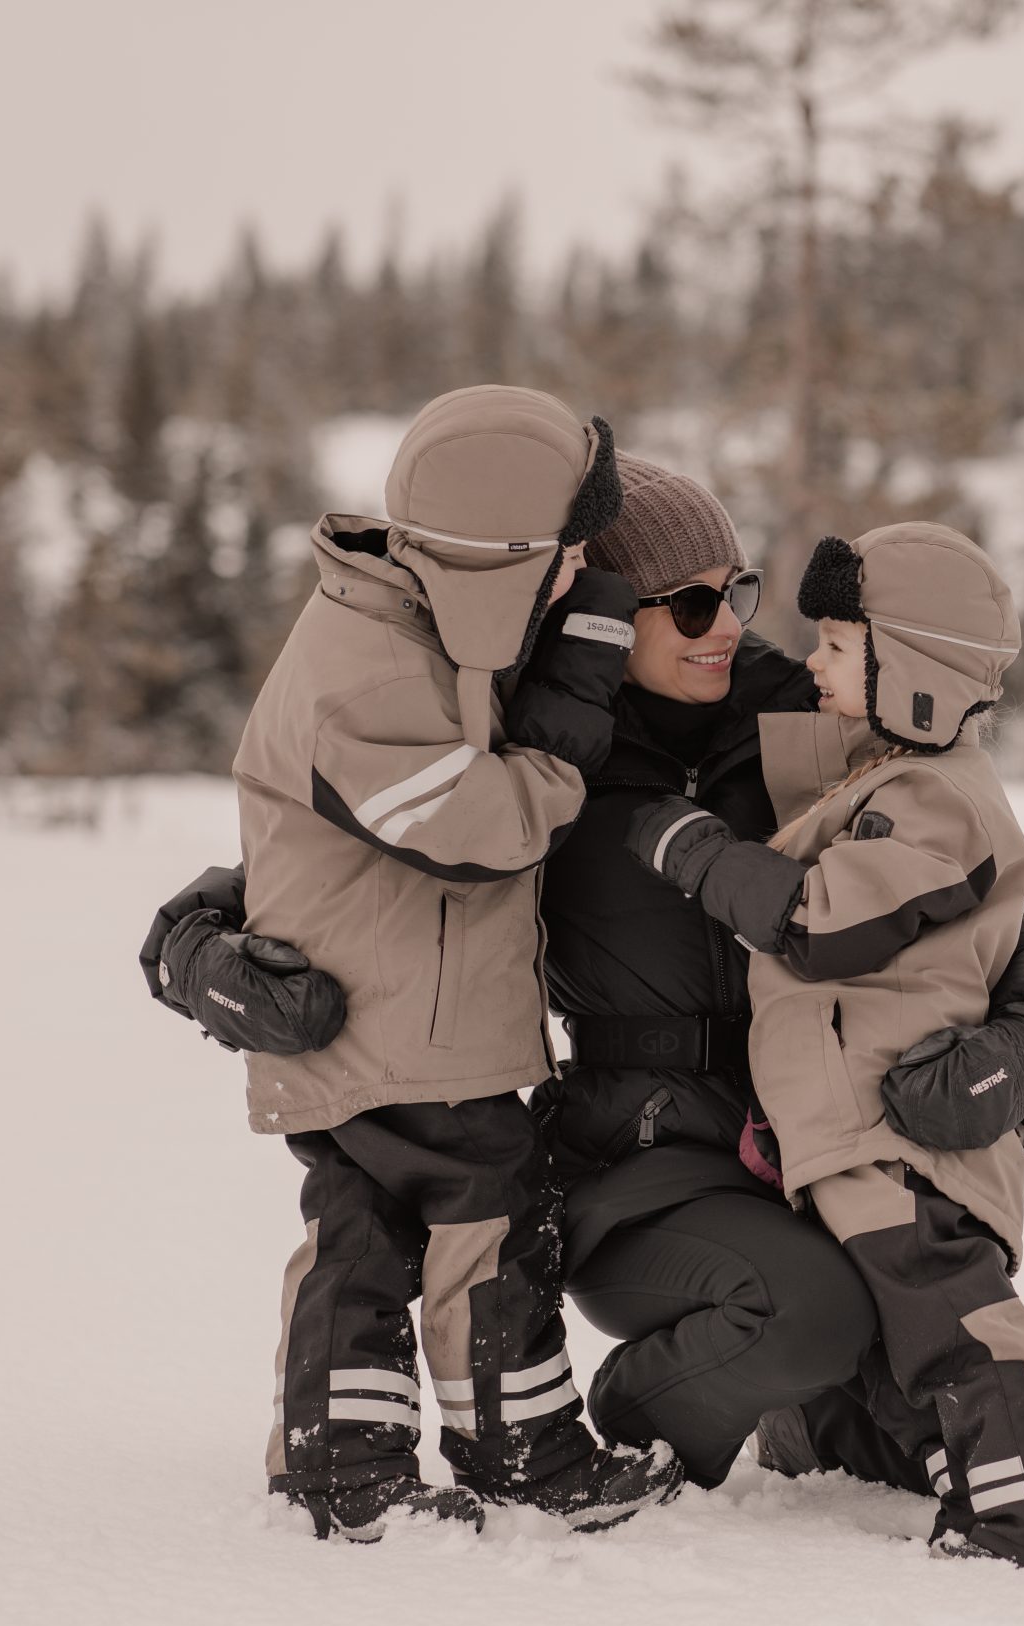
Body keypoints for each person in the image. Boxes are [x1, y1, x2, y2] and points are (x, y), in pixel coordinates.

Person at [143, 459, 1024, 1522]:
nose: (725, 626)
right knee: (808, 1314)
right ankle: (638, 1420)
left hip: (800, 1140)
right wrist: (193, 948)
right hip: (628, 1153)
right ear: (604, 611)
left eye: (737, 592)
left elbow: (1004, 881)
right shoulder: (528, 752)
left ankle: (817, 1416)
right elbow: (329, 865)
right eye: (688, 603)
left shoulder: (809, 718)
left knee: (904, 1372)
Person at [206, 384, 682, 1541]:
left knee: (385, 1227)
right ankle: (477, 1455)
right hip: (380, 1018)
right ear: (506, 551)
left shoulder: (415, 624)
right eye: (567, 550)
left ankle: (382, 1456)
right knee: (462, 1229)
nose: (577, 573)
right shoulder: (366, 668)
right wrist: (569, 718)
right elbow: (481, 832)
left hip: (409, 1011)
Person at [625, 524, 1024, 1575]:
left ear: (912, 671)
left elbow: (821, 922)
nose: (811, 664)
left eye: (839, 645)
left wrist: (694, 849)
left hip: (898, 1119)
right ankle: (861, 1456)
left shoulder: (932, 796)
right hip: (845, 1121)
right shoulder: (884, 778)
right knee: (880, 1307)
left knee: (943, 1308)